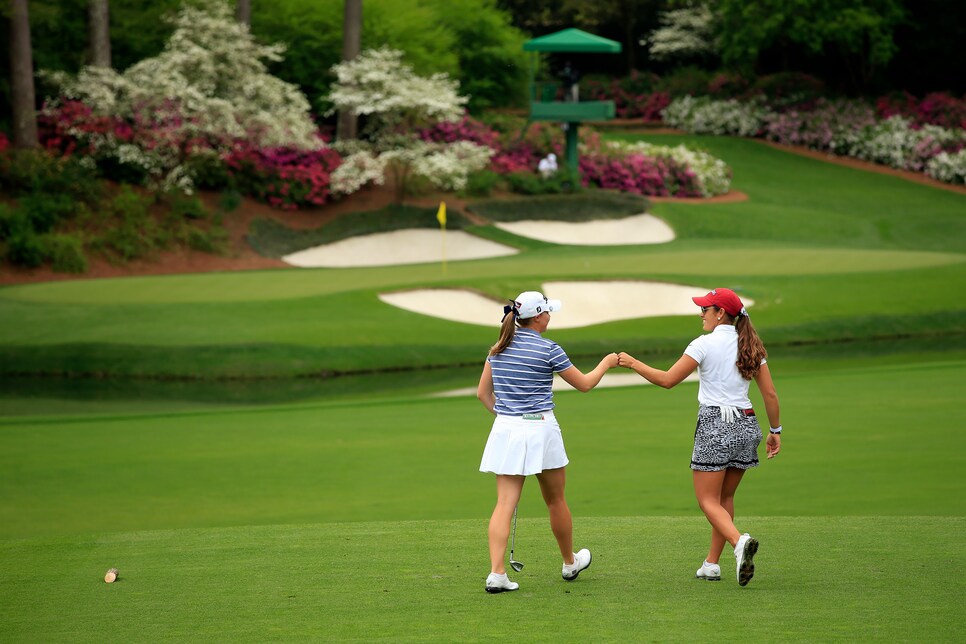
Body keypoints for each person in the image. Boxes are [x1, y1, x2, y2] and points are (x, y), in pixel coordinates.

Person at [616, 288, 781, 587]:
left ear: (721, 314)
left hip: (715, 424)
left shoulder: (703, 344)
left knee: (707, 500)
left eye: (706, 309)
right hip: (746, 424)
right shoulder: (752, 345)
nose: (701, 314)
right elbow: (769, 393)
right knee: (724, 498)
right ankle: (711, 564)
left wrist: (633, 363)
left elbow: (668, 380)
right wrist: (775, 431)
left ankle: (738, 541)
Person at [477, 290, 619, 593]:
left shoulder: (498, 348)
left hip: (507, 429)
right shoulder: (549, 349)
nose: (549, 316)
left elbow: (483, 395)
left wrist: (506, 417)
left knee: (504, 503)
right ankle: (569, 563)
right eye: (547, 312)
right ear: (539, 316)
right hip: (541, 429)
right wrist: (606, 362)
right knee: (555, 500)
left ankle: (497, 573)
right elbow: (584, 384)